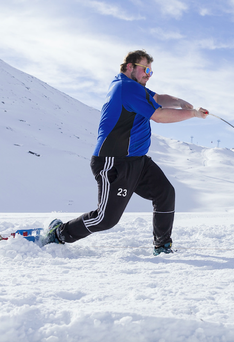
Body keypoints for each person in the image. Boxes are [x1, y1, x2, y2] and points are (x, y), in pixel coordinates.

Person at [41, 50, 208, 255]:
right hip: (114, 161)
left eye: (151, 71)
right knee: (105, 219)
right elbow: (159, 116)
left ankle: (162, 246)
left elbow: (158, 98)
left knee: (165, 193)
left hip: (137, 161)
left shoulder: (137, 89)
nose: (149, 74)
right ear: (129, 66)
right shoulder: (126, 88)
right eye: (145, 69)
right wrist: (192, 114)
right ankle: (59, 233)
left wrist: (180, 102)